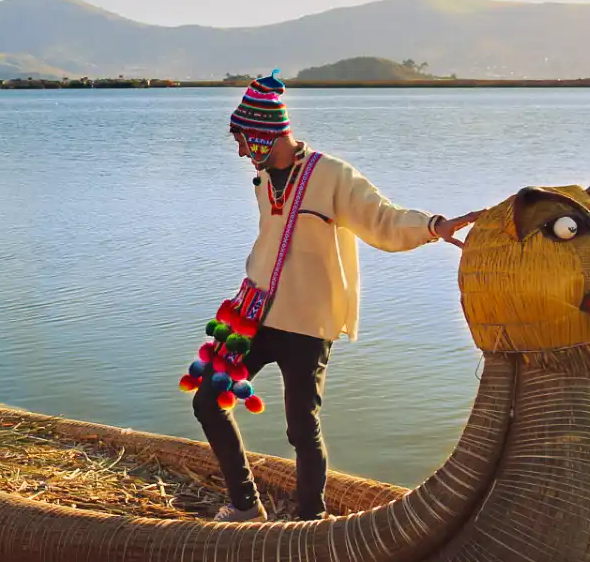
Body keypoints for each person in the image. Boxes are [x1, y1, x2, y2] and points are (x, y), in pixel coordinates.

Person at [197, 75, 478, 522]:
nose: (241, 152)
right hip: (253, 313)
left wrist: (433, 226)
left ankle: (311, 520)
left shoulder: (332, 175)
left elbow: (382, 219)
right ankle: (246, 504)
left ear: (265, 133)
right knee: (208, 399)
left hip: (308, 322)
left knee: (301, 428)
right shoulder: (264, 179)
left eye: (243, 140)